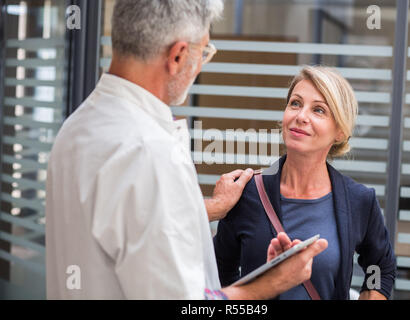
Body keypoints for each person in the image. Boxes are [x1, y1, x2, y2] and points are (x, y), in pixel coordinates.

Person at [45, 0, 327, 300]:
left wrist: (207, 207)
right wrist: (271, 283)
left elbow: (123, 222)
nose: (202, 63)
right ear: (178, 55)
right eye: (203, 51)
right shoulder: (150, 153)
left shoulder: (77, 127)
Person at [214, 65, 397, 300]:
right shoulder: (247, 192)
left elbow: (380, 267)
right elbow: (220, 269)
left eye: (318, 110)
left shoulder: (358, 200)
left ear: (339, 131)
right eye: (295, 103)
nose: (301, 116)